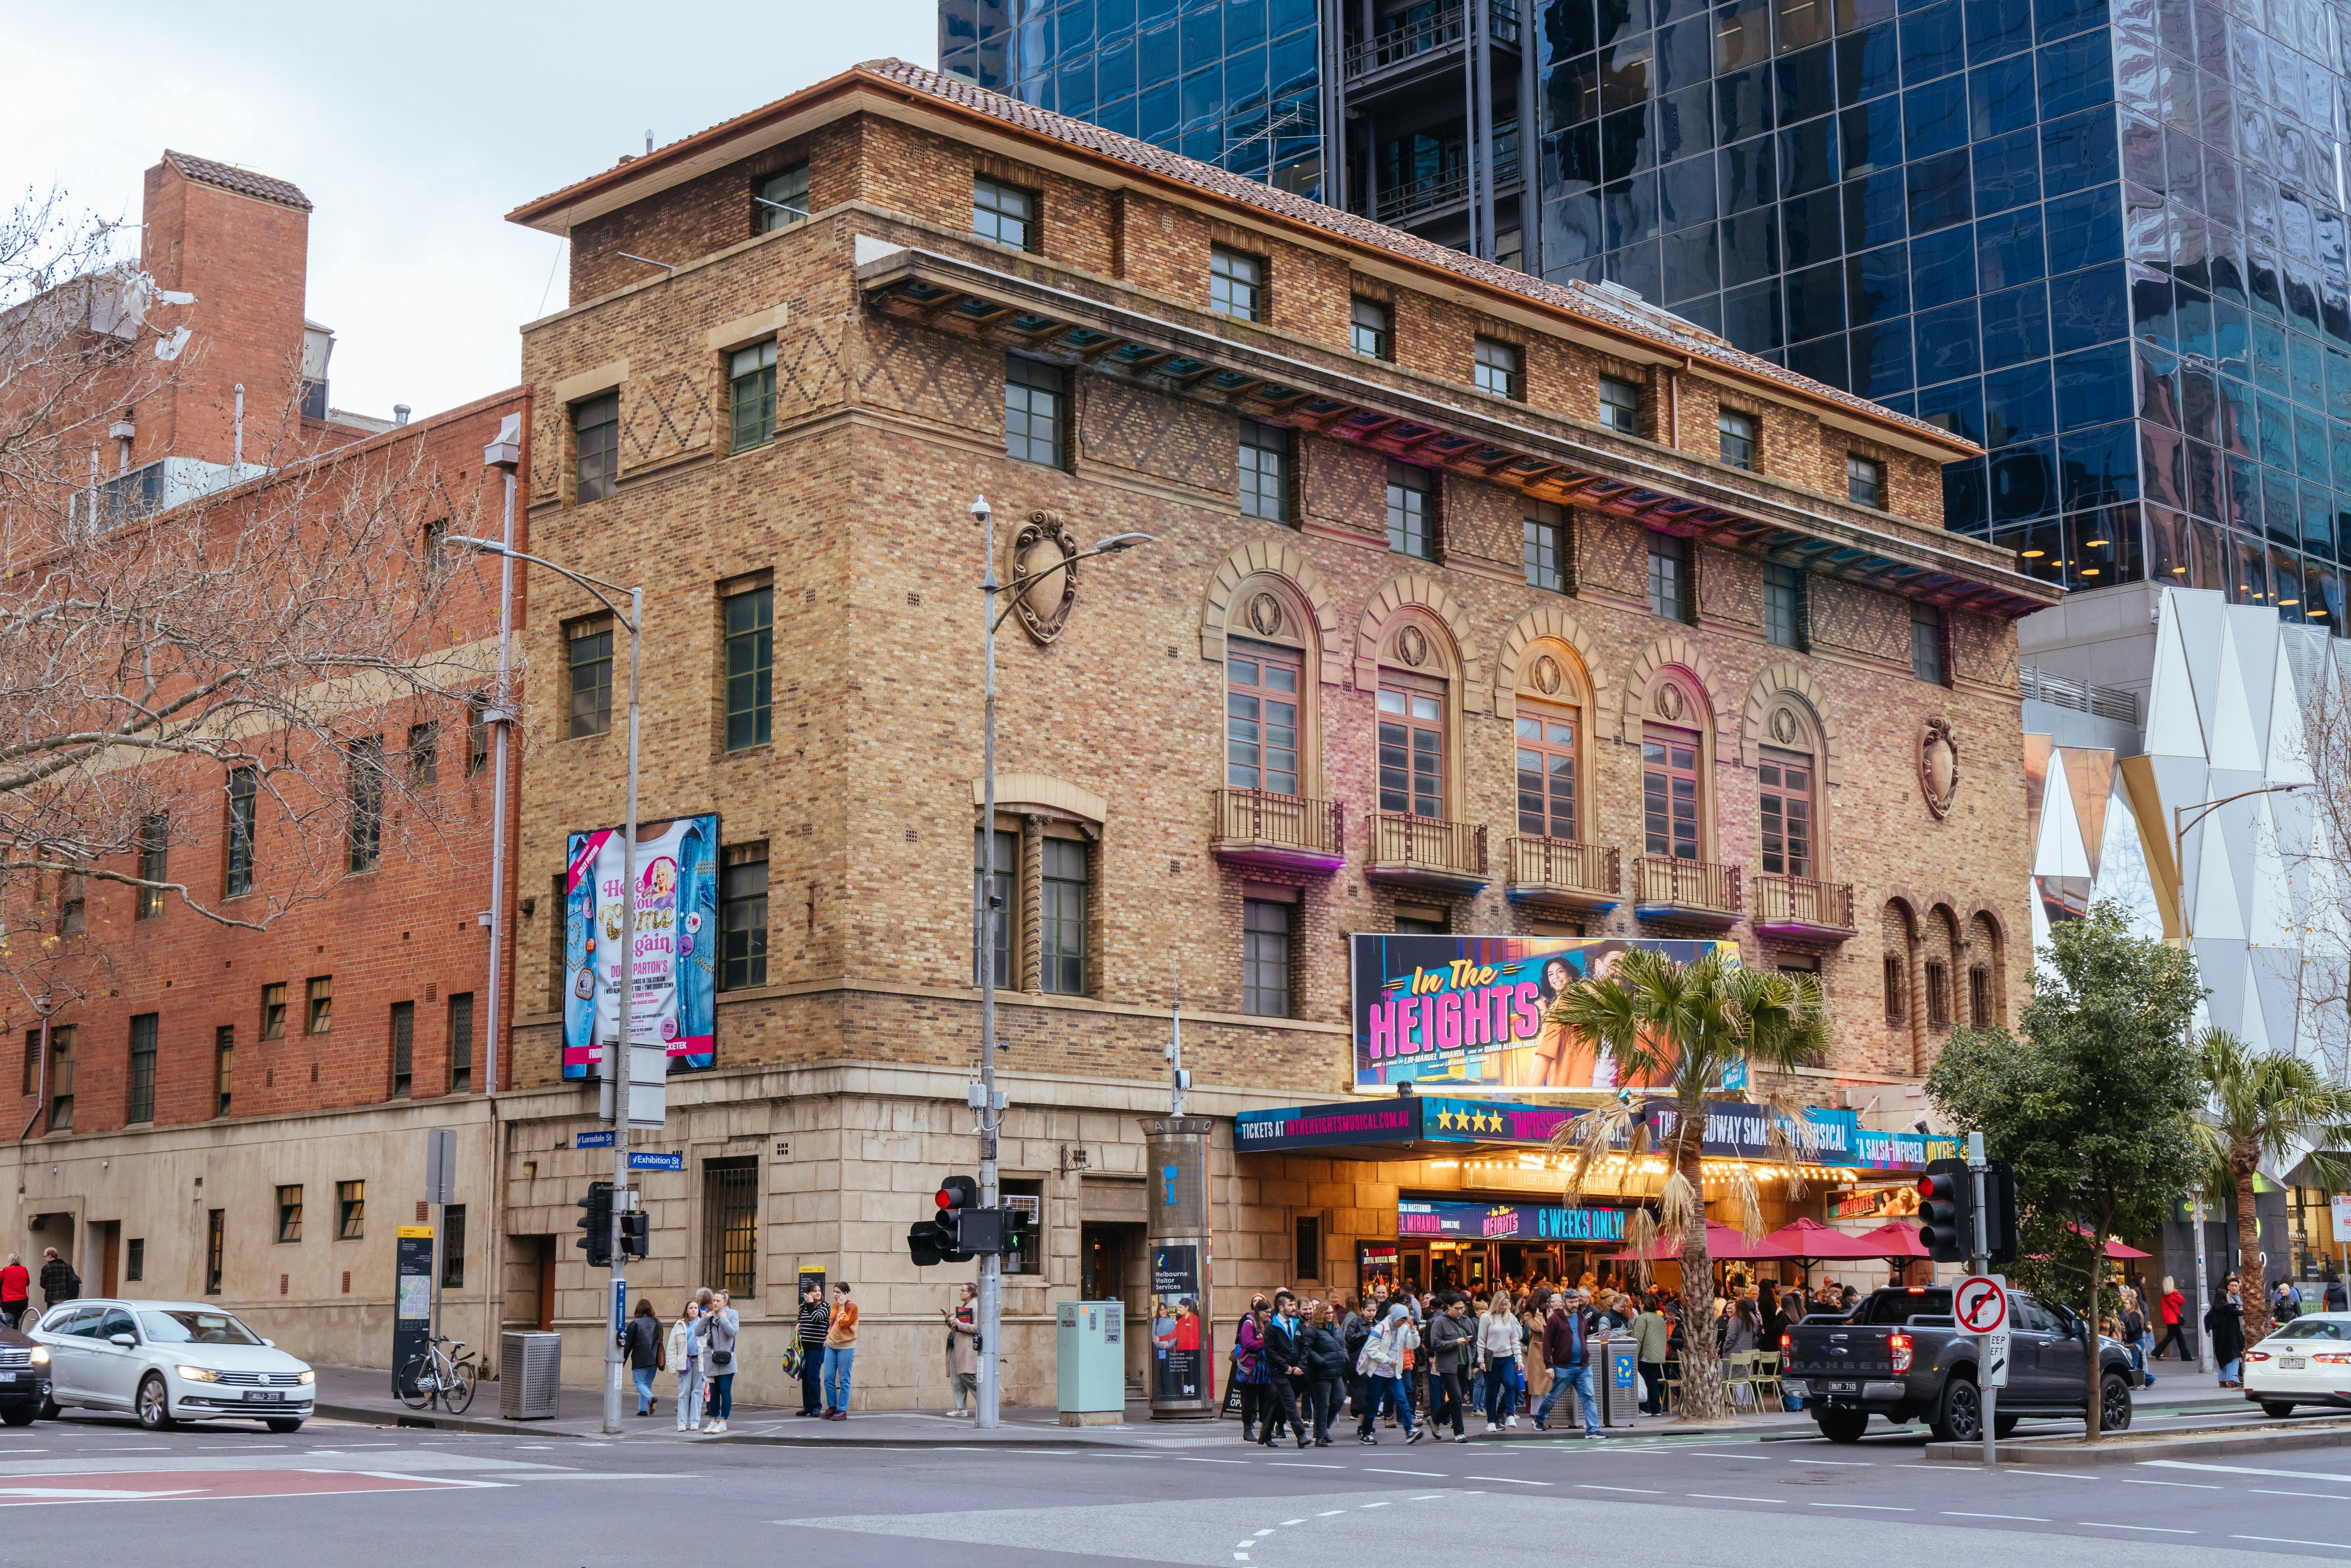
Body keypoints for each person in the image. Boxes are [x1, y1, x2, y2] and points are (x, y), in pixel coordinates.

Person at [1535, 1291, 1604, 1439]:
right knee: (1553, 1396)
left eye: (1576, 1302)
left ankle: (1593, 1430)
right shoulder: (1555, 1320)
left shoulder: (1582, 1318)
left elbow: (1583, 1338)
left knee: (1589, 1397)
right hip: (1564, 1367)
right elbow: (1547, 1344)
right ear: (1564, 1302)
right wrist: (1549, 1365)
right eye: (1571, 1302)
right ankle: (1539, 1419)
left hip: (1583, 1367)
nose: (1575, 1305)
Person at [1356, 1302, 1421, 1444]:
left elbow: (1412, 1345)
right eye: (1401, 1320)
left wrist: (1414, 1329)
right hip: (1378, 1373)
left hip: (1394, 1373)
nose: (1403, 1323)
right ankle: (1366, 1434)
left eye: (1405, 1320)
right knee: (1373, 1404)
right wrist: (1387, 1360)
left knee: (1402, 1399)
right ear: (1395, 1317)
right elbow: (1371, 1349)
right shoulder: (1381, 1328)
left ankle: (1410, 1430)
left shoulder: (1404, 1328)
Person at [1261, 1291, 1310, 1450]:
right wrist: (1286, 1367)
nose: (1294, 1308)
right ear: (1282, 1308)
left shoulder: (1297, 1324)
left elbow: (1304, 1347)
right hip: (1280, 1372)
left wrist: (1301, 1366)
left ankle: (1265, 1434)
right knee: (1290, 1403)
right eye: (1290, 1305)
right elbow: (1270, 1352)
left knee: (1279, 1403)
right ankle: (1301, 1435)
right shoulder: (1272, 1327)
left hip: (1297, 1372)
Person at [1300, 1300, 1349, 1447]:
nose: (1330, 1315)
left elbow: (1343, 1345)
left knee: (1339, 1400)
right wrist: (1320, 1361)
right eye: (1327, 1313)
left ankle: (1323, 1429)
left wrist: (1345, 1356)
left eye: (1332, 1313)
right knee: (1322, 1404)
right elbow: (1306, 1349)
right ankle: (1321, 1435)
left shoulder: (1336, 1329)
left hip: (1336, 1371)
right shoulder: (1313, 1330)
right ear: (1321, 1314)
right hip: (1320, 1373)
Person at [1426, 1295, 1469, 1441]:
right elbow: (1435, 1344)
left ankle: (1435, 1419)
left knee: (1458, 1398)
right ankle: (1459, 1432)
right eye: (1456, 1308)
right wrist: (1455, 1342)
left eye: (1462, 1308)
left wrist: (1474, 1358)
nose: (1460, 1311)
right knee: (1456, 1397)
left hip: (1464, 1364)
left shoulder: (1466, 1321)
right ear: (1449, 1307)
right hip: (1447, 1366)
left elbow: (1474, 1341)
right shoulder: (1440, 1323)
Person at [1478, 1290, 1521, 1433]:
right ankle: (1491, 1421)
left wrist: (1519, 1359)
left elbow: (1515, 1339)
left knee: (1511, 1385)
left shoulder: (1510, 1318)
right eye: (1502, 1304)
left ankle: (1510, 1415)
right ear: (1497, 1303)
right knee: (1492, 1390)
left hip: (1508, 1357)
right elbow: (1481, 1340)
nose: (1505, 1307)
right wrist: (1481, 1360)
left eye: (1507, 1305)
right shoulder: (1486, 1317)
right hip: (1492, 1358)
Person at [702, 1288, 740, 1434]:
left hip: (727, 1360)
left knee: (725, 1392)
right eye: (714, 1301)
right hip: (711, 1361)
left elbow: (733, 1333)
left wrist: (723, 1319)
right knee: (714, 1392)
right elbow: (698, 1332)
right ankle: (713, 1421)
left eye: (718, 1301)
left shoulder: (733, 1314)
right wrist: (706, 1317)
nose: (715, 1303)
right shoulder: (709, 1316)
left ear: (725, 1302)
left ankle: (723, 1423)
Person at [821, 1282, 858, 1419]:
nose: (835, 1295)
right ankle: (832, 1407)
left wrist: (842, 1306)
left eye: (838, 1292)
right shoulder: (835, 1305)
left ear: (845, 1293)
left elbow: (844, 1324)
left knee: (844, 1380)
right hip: (832, 1346)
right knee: (828, 1378)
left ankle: (842, 1410)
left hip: (846, 1347)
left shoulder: (852, 1307)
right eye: (834, 1292)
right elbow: (833, 1323)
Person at [667, 1297, 704, 1432]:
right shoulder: (680, 1325)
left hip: (699, 1362)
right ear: (687, 1311)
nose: (694, 1310)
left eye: (696, 1308)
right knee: (684, 1393)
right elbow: (672, 1346)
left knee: (697, 1392)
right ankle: (682, 1423)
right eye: (691, 1308)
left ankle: (695, 1422)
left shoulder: (703, 1323)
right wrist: (672, 1366)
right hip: (685, 1362)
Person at [944, 1282, 981, 1416]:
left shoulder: (975, 1306)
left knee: (967, 1375)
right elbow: (960, 1327)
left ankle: (986, 1400)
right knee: (957, 1378)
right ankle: (961, 1408)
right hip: (957, 1346)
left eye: (963, 1290)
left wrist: (959, 1324)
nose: (960, 1293)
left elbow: (977, 1328)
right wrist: (951, 1321)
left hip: (967, 1347)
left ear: (969, 1293)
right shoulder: (966, 1306)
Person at [1632, 1294, 1671, 1416]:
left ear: (1643, 1305)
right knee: (1653, 1382)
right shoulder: (1660, 1318)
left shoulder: (1642, 1318)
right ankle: (1656, 1409)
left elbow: (1638, 1339)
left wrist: (1633, 1356)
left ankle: (1645, 1409)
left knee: (1642, 1382)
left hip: (1645, 1356)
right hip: (1657, 1356)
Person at [624, 1298, 663, 1417]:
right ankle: (643, 1409)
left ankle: (651, 1398)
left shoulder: (635, 1324)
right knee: (647, 1385)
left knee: (639, 1383)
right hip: (654, 1359)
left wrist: (622, 1361)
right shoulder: (657, 1323)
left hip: (640, 1360)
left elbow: (627, 1344)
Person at [795, 1279, 829, 1416]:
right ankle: (808, 1406)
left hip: (817, 1347)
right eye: (815, 1291)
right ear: (808, 1293)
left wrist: (810, 1304)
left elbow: (816, 1318)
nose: (818, 1293)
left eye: (819, 1291)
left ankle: (816, 1407)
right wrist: (798, 1325)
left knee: (813, 1376)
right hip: (804, 1347)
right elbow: (800, 1319)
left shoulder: (825, 1306)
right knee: (805, 1376)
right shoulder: (804, 1307)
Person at [2209, 1274, 2245, 1387]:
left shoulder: (2215, 1309)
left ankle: (2222, 1380)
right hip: (2232, 1335)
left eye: (2237, 1285)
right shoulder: (2229, 1307)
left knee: (2223, 1358)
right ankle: (2232, 1380)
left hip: (2219, 1337)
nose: (2235, 1288)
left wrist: (2208, 1330)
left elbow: (2208, 1319)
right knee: (2234, 1357)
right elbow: (2240, 1313)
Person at [2155, 1276, 2192, 1361]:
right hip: (2173, 1318)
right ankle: (2157, 1352)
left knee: (2179, 1338)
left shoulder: (2164, 1294)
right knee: (2171, 1337)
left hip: (2169, 1318)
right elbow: (2182, 1301)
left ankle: (2186, 1356)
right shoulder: (2173, 1293)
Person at [36, 1248, 76, 1312]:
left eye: (45, 1256)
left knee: (53, 1319)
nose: (44, 1259)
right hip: (65, 1298)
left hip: (52, 1299)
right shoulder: (67, 1267)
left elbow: (43, 1284)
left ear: (50, 1256)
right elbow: (72, 1282)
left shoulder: (46, 1268)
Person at [0, 1255, 26, 1329]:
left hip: (9, 1300)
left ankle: (10, 1338)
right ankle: (16, 1335)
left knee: (8, 1322)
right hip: (22, 1301)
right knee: (16, 1322)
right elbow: (28, 1283)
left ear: (10, 1260)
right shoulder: (24, 1269)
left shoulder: (6, 1270)